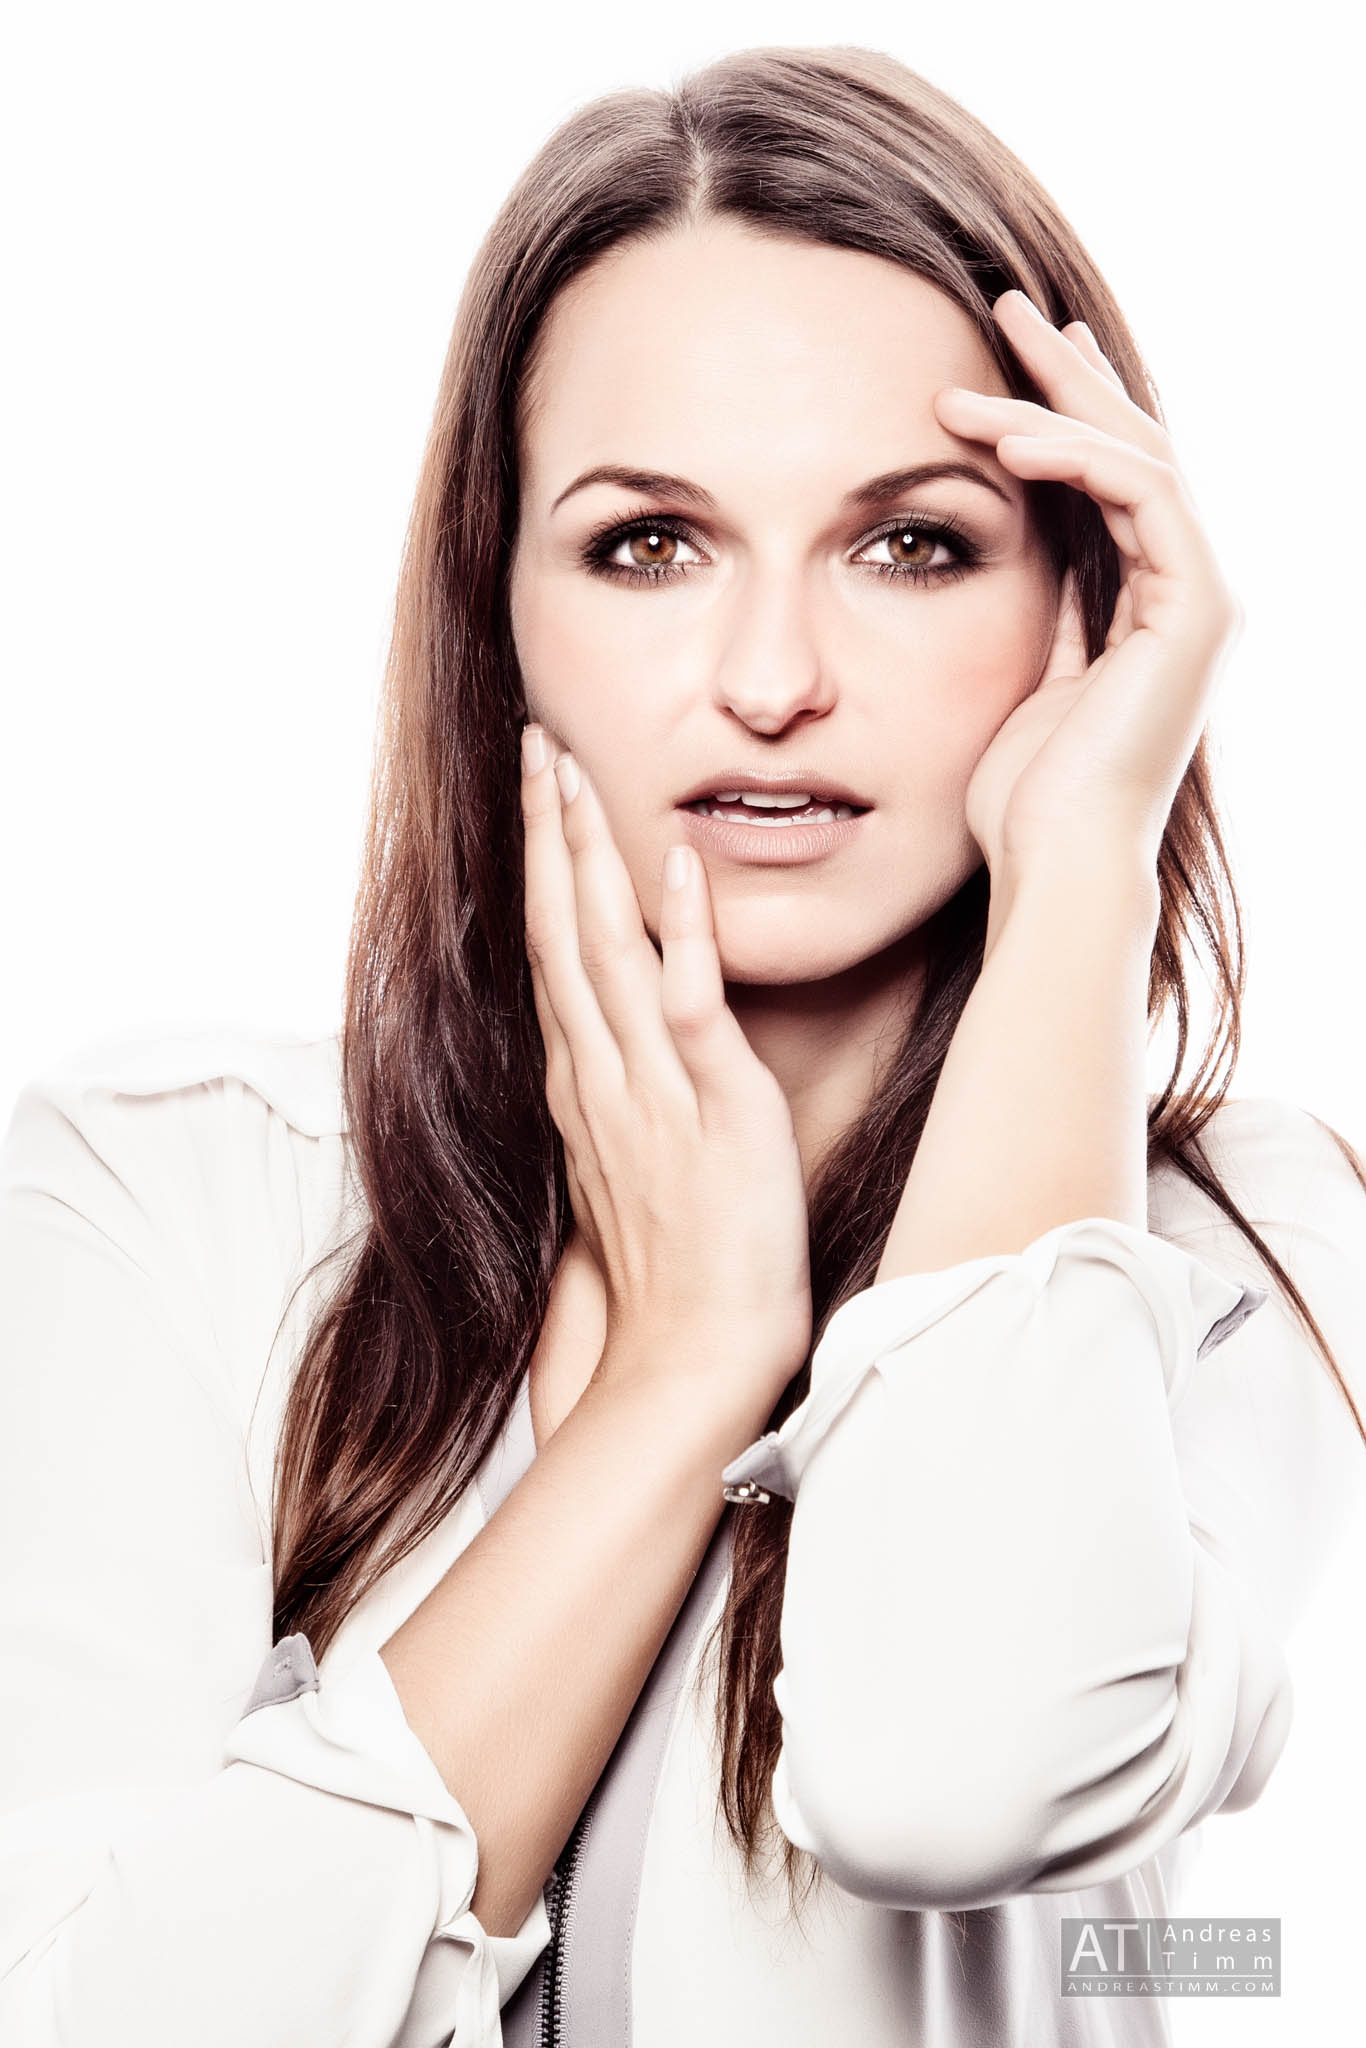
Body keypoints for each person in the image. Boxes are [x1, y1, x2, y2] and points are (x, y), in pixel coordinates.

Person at [2, 41, 1363, 2048]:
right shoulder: (166, 1188)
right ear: (505, 612)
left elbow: (948, 1772)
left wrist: (1080, 846)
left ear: (1080, 598)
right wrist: (674, 1380)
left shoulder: (1237, 1248)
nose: (767, 682)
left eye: (911, 544)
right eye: (649, 543)